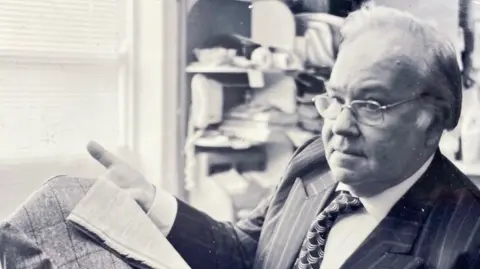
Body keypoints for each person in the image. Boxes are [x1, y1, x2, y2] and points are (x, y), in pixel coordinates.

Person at [86, 5, 480, 269]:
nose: (339, 125)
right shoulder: (313, 162)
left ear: (431, 123)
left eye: (371, 106)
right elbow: (248, 250)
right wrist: (153, 201)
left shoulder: (468, 241)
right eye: (336, 98)